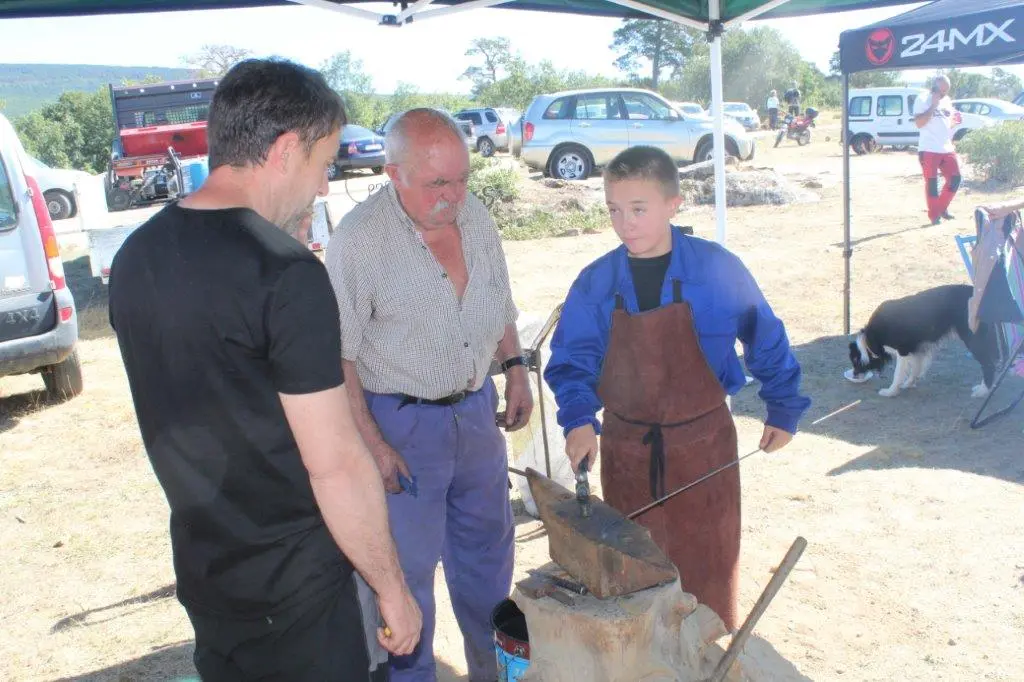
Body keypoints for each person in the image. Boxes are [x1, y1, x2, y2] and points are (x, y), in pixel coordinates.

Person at [107, 58, 421, 682]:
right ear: (283, 151)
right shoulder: (285, 273)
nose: (325, 187)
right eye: (323, 164)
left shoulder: (136, 255)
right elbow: (333, 461)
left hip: (208, 571)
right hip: (295, 588)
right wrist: (393, 588)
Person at [543, 145, 810, 632]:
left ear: (673, 204)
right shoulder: (596, 282)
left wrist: (783, 408)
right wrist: (580, 419)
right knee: (636, 585)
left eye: (638, 209)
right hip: (627, 452)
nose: (625, 224)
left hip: (704, 449)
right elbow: (571, 360)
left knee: (707, 581)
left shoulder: (717, 269)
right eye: (614, 210)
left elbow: (764, 334)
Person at [325, 108, 533, 681]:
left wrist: (514, 366)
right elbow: (338, 356)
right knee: (404, 582)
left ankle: (492, 675)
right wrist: (372, 443)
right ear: (393, 174)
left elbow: (499, 297)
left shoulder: (477, 216)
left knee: (489, 566)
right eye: (437, 183)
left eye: (461, 178)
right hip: (401, 425)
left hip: (475, 413)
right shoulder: (359, 241)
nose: (453, 195)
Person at [913, 75, 963, 225]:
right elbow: (919, 123)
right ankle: (934, 216)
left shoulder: (947, 101)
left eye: (946, 92)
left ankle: (941, 208)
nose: (943, 95)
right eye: (941, 91)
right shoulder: (922, 99)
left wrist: (954, 122)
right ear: (933, 86)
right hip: (928, 148)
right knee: (932, 183)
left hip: (946, 147)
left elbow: (946, 125)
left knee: (955, 179)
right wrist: (933, 105)